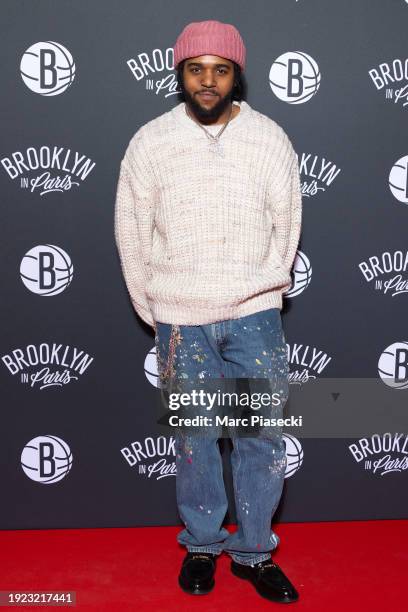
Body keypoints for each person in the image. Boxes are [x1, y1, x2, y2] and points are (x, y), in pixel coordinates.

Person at [114, 19, 302, 604]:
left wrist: (261, 285)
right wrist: (154, 306)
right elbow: (131, 229)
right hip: (179, 318)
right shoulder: (150, 141)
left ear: (235, 76)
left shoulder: (269, 137)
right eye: (197, 69)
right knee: (195, 440)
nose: (208, 81)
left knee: (259, 439)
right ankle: (201, 545)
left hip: (254, 315)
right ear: (180, 73)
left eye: (221, 70)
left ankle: (252, 551)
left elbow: (287, 222)